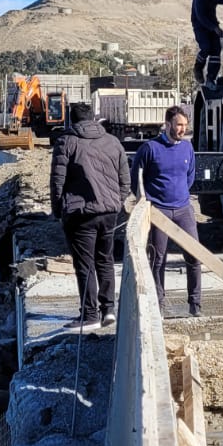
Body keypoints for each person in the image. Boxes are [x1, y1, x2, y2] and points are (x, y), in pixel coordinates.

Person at [49, 102, 130, 330]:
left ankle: (90, 314)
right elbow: (125, 180)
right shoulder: (113, 142)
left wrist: (58, 210)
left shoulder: (66, 142)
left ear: (71, 120)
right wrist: (116, 202)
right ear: (93, 118)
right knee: (105, 260)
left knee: (85, 265)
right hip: (109, 212)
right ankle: (109, 311)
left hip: (80, 213)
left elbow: (57, 181)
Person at [131, 106, 202, 317]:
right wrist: (146, 201)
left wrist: (180, 195)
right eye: (179, 125)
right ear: (168, 124)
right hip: (158, 211)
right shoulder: (150, 148)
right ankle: (158, 306)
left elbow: (189, 177)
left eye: (185, 126)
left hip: (183, 209)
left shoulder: (187, 148)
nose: (182, 129)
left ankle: (195, 305)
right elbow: (136, 177)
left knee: (194, 256)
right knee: (157, 259)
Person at [191, 0, 223, 86]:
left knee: (216, 50)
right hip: (200, 27)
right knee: (206, 47)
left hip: (212, 26)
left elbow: (218, 0)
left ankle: (211, 78)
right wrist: (215, 28)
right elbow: (201, 16)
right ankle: (198, 68)